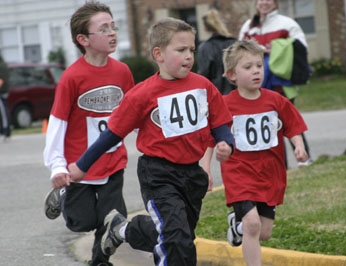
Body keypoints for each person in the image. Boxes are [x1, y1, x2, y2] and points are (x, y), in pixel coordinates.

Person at [67, 17, 234, 266]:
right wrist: (82, 165)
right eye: (181, 50)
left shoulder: (204, 86)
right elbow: (112, 134)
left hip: (192, 175)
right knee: (175, 238)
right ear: (159, 54)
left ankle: (121, 230)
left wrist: (225, 143)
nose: (189, 56)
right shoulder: (142, 94)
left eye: (191, 50)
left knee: (181, 239)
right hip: (159, 174)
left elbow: (220, 124)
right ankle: (126, 232)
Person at [42, 2, 135, 266]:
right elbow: (57, 124)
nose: (112, 33)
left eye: (113, 26)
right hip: (78, 166)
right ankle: (63, 196)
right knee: (82, 221)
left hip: (113, 160)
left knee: (112, 221)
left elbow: (132, 112)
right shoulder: (72, 78)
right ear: (83, 39)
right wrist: (57, 166)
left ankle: (100, 263)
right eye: (103, 29)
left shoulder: (122, 71)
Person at [201, 39, 308, 266]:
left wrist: (299, 146)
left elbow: (293, 126)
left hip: (270, 173)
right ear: (232, 75)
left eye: (259, 66)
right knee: (252, 224)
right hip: (239, 172)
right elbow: (210, 140)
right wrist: (206, 168)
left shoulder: (276, 101)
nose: (256, 71)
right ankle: (245, 232)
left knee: (264, 232)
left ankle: (236, 226)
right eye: (248, 67)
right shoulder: (224, 104)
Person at [238, 0, 312, 167]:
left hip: (282, 85)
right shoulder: (248, 26)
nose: (264, 3)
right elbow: (238, 52)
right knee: (269, 126)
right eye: (260, 0)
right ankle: (280, 164)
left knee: (290, 121)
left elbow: (301, 50)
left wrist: (277, 49)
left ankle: (305, 159)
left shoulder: (287, 24)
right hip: (258, 86)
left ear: (275, 3)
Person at [197, 9, 236, 95]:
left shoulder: (204, 47)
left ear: (205, 27)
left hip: (216, 95)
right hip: (237, 92)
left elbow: (204, 75)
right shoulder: (234, 43)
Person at [0, 55, 11, 141]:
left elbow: (1, 81)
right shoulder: (4, 65)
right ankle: (6, 130)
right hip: (5, 91)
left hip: (2, 92)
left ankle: (5, 130)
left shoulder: (1, 66)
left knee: (3, 113)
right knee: (4, 111)